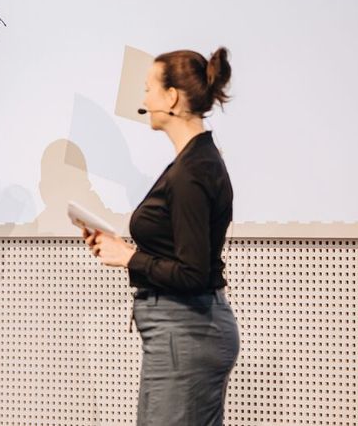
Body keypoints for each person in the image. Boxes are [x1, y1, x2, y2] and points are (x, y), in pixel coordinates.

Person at [83, 48, 240, 425]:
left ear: (171, 97)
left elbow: (193, 273)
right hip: (179, 334)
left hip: (187, 333)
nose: (144, 99)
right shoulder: (193, 162)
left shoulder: (193, 171)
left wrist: (127, 256)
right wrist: (121, 249)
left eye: (150, 88)